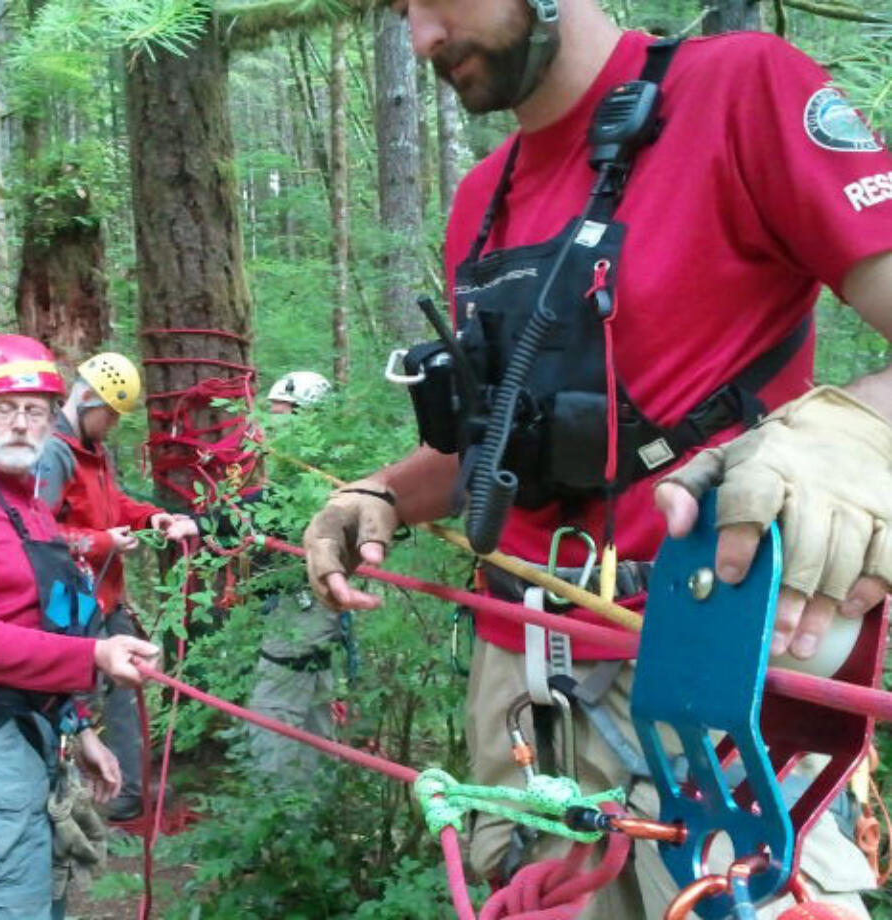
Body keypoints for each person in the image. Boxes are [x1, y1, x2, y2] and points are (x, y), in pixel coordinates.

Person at [303, 1, 892, 915]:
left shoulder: (738, 91)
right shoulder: (481, 197)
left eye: (434, 0)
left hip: (708, 670)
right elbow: (495, 448)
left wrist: (849, 436)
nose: (419, 40)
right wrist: (379, 492)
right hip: (519, 691)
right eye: (400, 11)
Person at [0, 334, 158, 920]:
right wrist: (95, 658)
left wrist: (81, 727)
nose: (20, 423)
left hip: (41, 730)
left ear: (50, 420)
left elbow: (46, 623)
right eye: (4, 408)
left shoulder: (32, 509)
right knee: (2, 903)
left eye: (34, 411)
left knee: (45, 894)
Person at [35, 351, 198, 822]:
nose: (111, 425)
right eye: (109, 414)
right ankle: (64, 793)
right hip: (69, 597)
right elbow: (36, 533)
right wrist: (102, 541)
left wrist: (151, 516)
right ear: (87, 399)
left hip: (105, 594)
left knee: (130, 683)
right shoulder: (54, 453)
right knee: (73, 693)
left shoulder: (93, 451)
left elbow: (112, 502)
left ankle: (126, 789)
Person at [245, 371, 347, 777]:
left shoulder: (316, 479)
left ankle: (278, 812)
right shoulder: (297, 473)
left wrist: (209, 521)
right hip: (308, 608)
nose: (270, 424)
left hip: (302, 609)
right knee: (314, 705)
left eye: (280, 414)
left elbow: (270, 509)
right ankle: (316, 807)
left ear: (308, 417)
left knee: (272, 709)